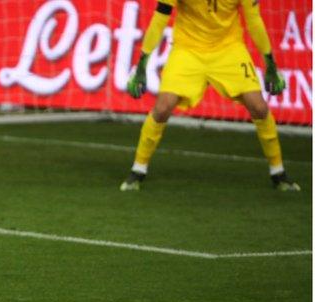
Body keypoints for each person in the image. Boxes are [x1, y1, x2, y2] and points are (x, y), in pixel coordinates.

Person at [121, 0, 301, 192]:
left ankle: (278, 172)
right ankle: (138, 170)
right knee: (163, 107)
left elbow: (254, 20)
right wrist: (141, 65)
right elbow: (160, 18)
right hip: (188, 50)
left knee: (259, 107)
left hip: (228, 50)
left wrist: (270, 64)